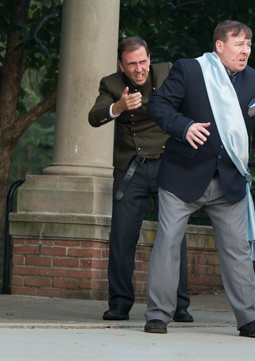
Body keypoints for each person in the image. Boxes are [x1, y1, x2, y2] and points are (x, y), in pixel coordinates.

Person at [143, 20, 255, 336]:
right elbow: (158, 105)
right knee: (168, 242)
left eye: (249, 44)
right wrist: (184, 127)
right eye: (239, 44)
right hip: (183, 175)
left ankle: (249, 319)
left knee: (238, 249)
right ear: (219, 46)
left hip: (229, 180)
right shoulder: (190, 70)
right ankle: (157, 315)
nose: (245, 50)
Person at [88, 37, 193, 323]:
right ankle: (120, 303)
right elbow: (94, 117)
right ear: (121, 65)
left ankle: (180, 304)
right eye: (131, 63)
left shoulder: (169, 72)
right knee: (122, 237)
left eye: (143, 61)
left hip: (167, 166)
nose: (138, 69)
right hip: (131, 168)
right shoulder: (110, 84)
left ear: (150, 58)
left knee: (175, 236)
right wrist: (119, 107)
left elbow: (192, 103)